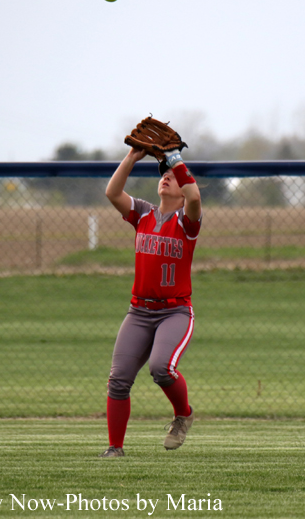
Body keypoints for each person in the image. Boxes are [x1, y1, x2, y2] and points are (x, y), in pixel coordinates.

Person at [99, 146, 202, 458]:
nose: (166, 179)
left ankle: (183, 414)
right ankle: (115, 448)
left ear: (182, 193)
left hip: (174, 312)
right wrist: (132, 156)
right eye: (163, 176)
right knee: (118, 380)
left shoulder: (188, 221)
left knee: (161, 368)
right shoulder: (143, 213)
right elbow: (112, 192)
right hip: (139, 311)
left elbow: (195, 197)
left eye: (172, 177)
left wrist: (175, 160)